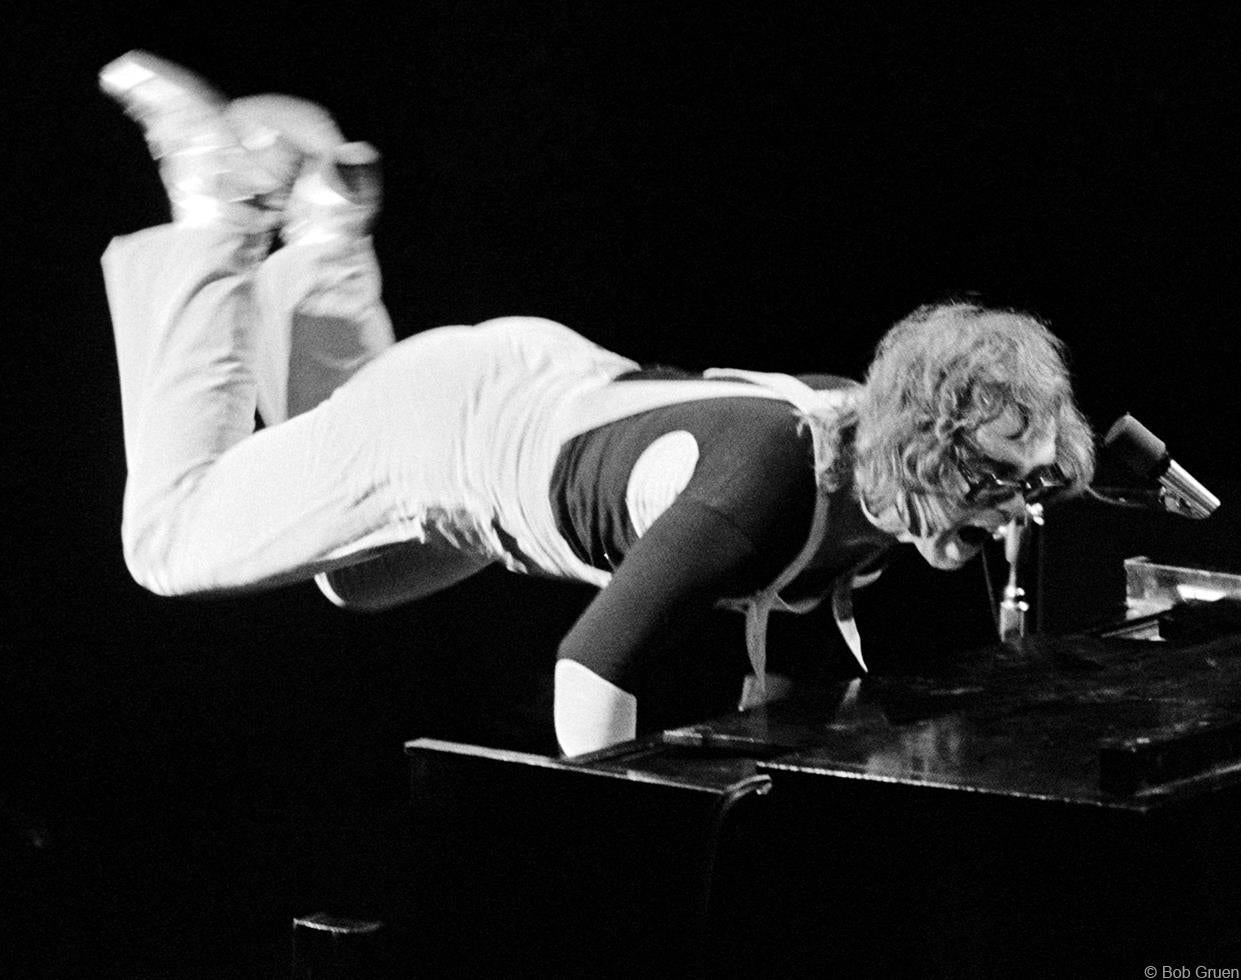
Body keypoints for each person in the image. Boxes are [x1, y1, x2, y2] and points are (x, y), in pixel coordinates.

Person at [98, 51, 1096, 756]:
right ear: (924, 446)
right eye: (997, 480)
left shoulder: (872, 449)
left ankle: (324, 238)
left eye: (1033, 480)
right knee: (171, 540)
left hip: (519, 394)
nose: (1016, 510)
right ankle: (220, 206)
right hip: (458, 437)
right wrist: (616, 858)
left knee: (351, 578)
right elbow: (591, 669)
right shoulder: (758, 489)